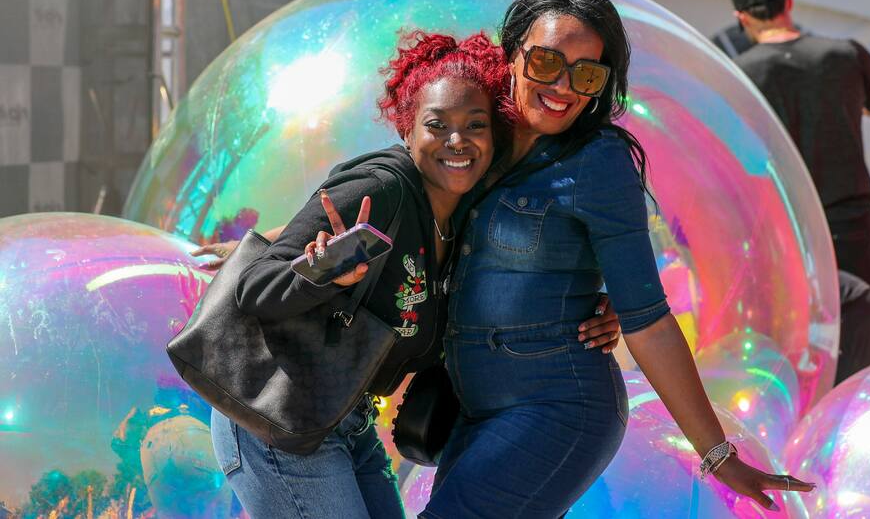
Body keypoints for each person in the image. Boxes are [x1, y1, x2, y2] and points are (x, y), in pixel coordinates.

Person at [422, 0, 814, 518]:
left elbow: (648, 321)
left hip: (558, 409)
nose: (563, 86)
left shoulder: (599, 161)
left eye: (587, 73)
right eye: (545, 61)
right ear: (512, 53)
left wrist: (718, 454)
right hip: (472, 406)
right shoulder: (474, 134)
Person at [207, 30, 620, 519]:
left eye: (475, 125)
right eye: (436, 124)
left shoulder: (471, 208)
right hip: (274, 418)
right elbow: (254, 288)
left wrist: (601, 300)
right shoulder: (380, 188)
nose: (457, 141)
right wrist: (323, 272)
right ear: (407, 130)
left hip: (347, 420)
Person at [727, 0, 870, 308]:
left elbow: (739, 157)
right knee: (867, 335)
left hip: (785, 233)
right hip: (852, 227)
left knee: (798, 343)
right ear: (788, 2)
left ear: (742, 17)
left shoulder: (739, 73)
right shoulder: (847, 53)